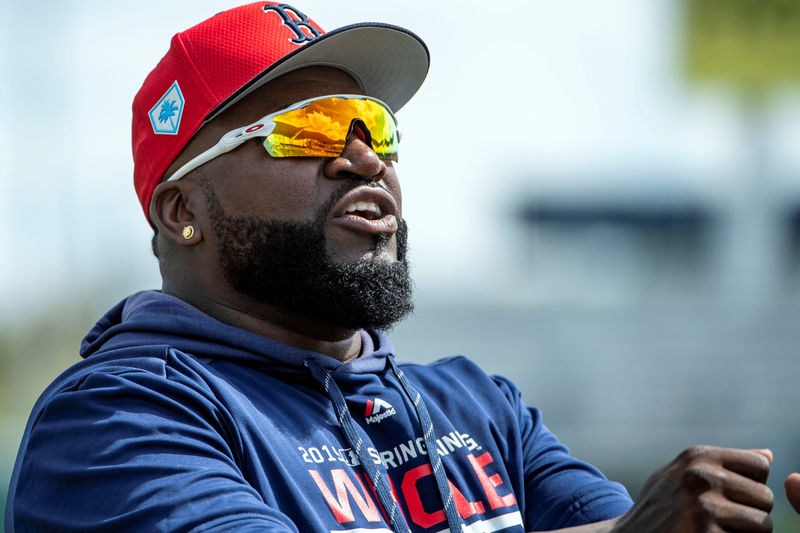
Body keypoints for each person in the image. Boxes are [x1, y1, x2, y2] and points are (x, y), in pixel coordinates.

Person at [4, 3, 777, 532]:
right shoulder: (113, 420)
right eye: (310, 131)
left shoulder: (479, 404)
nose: (366, 157)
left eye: (375, 125)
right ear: (183, 211)